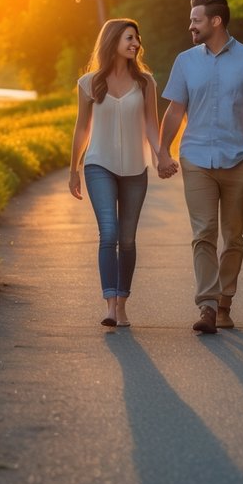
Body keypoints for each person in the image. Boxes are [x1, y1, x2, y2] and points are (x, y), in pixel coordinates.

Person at [157, 0, 243, 334]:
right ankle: (208, 306)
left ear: (216, 21)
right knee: (204, 233)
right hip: (196, 157)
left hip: (240, 160)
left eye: (196, 19)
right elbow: (175, 110)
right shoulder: (185, 61)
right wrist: (162, 150)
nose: (190, 25)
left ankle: (225, 301)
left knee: (233, 236)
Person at [69, 18, 171, 328]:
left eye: (137, 39)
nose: (135, 44)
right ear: (112, 40)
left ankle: (123, 304)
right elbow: (82, 128)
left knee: (127, 239)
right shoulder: (89, 82)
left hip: (135, 170)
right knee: (109, 233)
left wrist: (161, 154)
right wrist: (74, 168)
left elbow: (152, 125)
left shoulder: (146, 83)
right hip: (99, 164)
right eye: (129, 38)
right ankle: (110, 306)